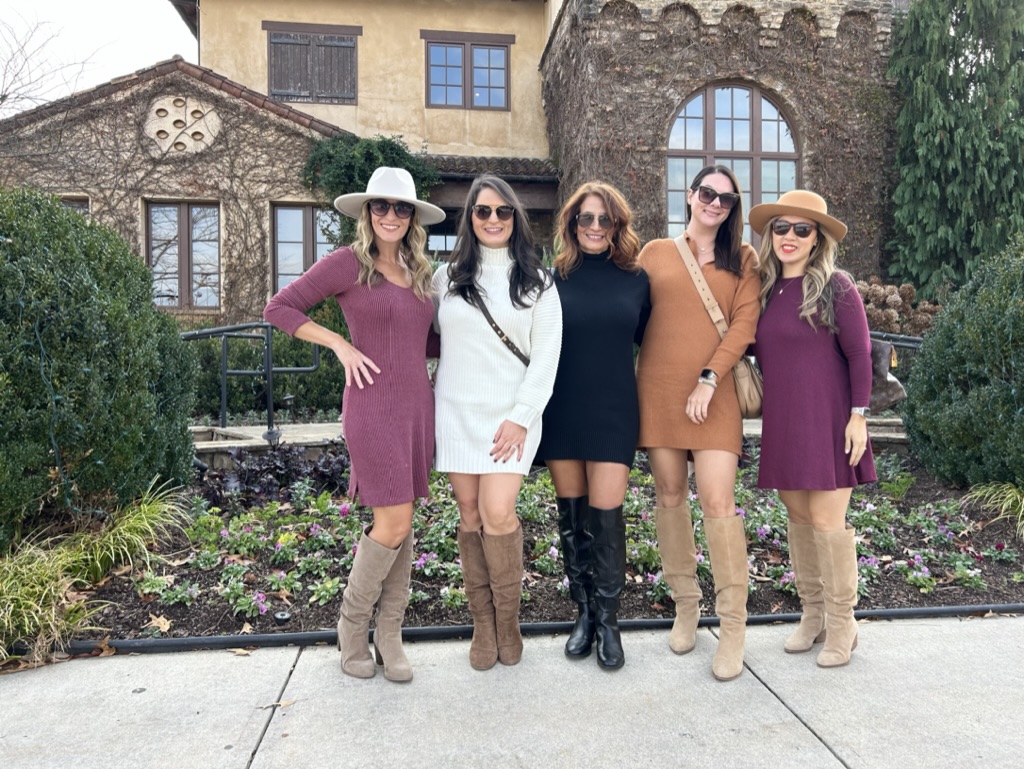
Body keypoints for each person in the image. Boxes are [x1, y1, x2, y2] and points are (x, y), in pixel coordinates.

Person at [263, 166, 445, 683]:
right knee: (392, 522)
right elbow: (279, 307)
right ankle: (352, 626)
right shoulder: (348, 263)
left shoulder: (419, 272)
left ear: (413, 219)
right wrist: (340, 344)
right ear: (367, 213)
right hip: (371, 406)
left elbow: (424, 342)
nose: (391, 215)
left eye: (401, 208)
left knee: (403, 519)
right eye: (381, 206)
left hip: (416, 407)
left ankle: (390, 636)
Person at [635, 165, 760, 681]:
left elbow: (745, 324)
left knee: (717, 501)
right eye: (707, 193)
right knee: (668, 497)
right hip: (659, 393)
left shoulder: (744, 258)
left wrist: (709, 377)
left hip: (716, 395)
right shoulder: (654, 253)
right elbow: (631, 315)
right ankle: (686, 605)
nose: (715, 203)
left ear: (732, 209)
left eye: (726, 200)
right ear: (689, 196)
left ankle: (733, 626)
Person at [432, 175, 562, 670]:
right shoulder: (446, 280)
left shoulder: (538, 282)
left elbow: (546, 360)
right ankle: (483, 626)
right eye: (482, 211)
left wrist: (522, 418)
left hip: (512, 418)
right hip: (456, 412)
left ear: (516, 218)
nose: (492, 220)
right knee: (469, 515)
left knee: (498, 513)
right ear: (469, 217)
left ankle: (509, 622)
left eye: (502, 212)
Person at [748, 190, 875, 668]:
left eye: (803, 229)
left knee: (828, 523)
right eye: (782, 227)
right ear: (771, 235)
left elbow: (860, 354)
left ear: (817, 238)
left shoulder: (836, 286)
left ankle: (844, 624)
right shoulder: (765, 289)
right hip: (784, 422)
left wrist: (859, 415)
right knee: (799, 520)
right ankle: (813, 614)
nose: (790, 237)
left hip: (829, 421)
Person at [534, 181, 649, 670]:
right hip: (562, 408)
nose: (596, 228)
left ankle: (609, 621)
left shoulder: (638, 280)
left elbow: (653, 344)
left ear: (617, 226)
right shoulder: (549, 279)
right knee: (572, 517)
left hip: (614, 411)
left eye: (605, 220)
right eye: (587, 219)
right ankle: (582, 612)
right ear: (572, 225)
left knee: (606, 519)